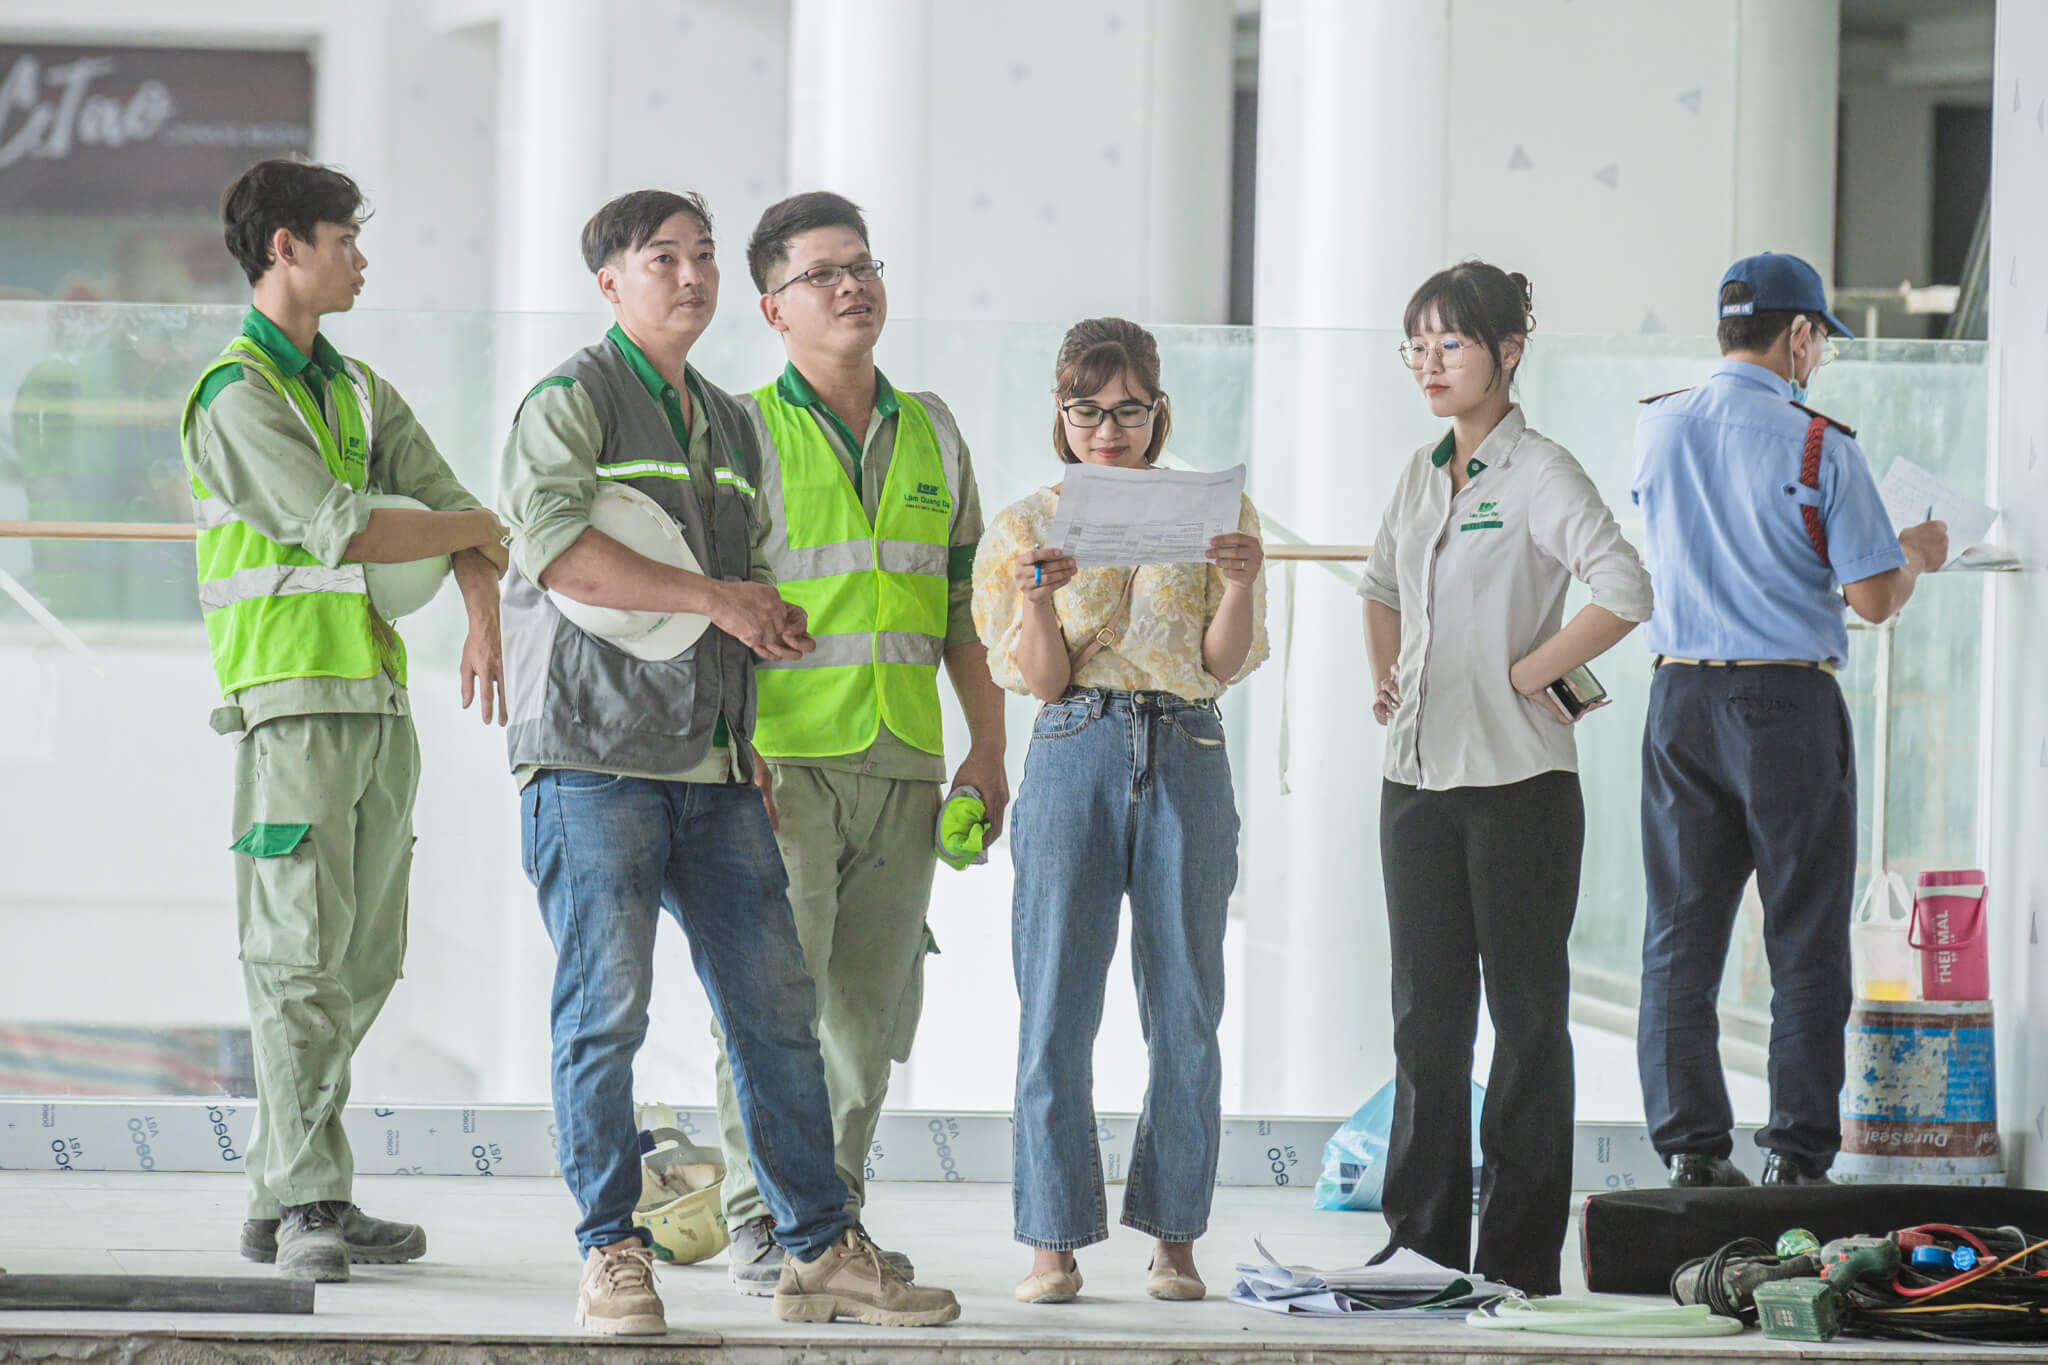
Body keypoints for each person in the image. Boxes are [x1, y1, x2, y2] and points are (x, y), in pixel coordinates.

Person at [497, 188, 960, 1335]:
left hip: (715, 766)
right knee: (605, 1012)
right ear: (610, 282)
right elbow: (558, 554)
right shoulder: (569, 400)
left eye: (701, 254)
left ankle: (818, 1251)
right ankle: (611, 1252)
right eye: (663, 258)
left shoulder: (725, 423)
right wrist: (720, 600)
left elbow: (736, 600)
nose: (689, 274)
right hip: (593, 755)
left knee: (776, 1014)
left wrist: (743, 717)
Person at [180, 158, 509, 1282]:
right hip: (288, 705)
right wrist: (470, 530)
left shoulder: (361, 390)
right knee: (297, 963)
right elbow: (349, 527)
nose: (361, 260)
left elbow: (458, 511)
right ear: (285, 248)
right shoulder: (234, 395)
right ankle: (310, 1195)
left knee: (366, 959)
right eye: (344, 240)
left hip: (377, 699)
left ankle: (282, 1191)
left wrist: (481, 605)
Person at [711, 190, 1008, 1294]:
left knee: (869, 1015)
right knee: (771, 1005)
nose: (852, 287)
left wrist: (987, 748)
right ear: (773, 308)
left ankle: (828, 1223)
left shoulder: (933, 428)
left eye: (864, 266)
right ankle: (761, 1217)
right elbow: (710, 608)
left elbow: (967, 604)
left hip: (904, 762)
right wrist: (730, 745)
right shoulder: (738, 431)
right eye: (823, 274)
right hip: (781, 762)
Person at [1360, 261, 1652, 1296]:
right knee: (1423, 1022)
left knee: (1525, 1024)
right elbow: (1378, 584)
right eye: (1417, 346)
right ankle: (1422, 1246)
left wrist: (1532, 671)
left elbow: (1625, 587)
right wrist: (1386, 673)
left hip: (1519, 787)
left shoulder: (1539, 472)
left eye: (1451, 343)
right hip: (1414, 784)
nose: (1429, 364)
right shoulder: (1419, 470)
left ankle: (1520, 1262)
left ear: (1508, 352)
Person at [1632, 252, 1948, 1189]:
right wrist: (1916, 552)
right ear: (1799, 334)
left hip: (1679, 698)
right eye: (1820, 343)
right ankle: (1798, 1158)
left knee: (1681, 934)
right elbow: (1873, 598)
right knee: (1803, 934)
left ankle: (1692, 1152)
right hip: (1785, 706)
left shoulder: (1656, 425)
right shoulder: (1820, 446)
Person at [974, 317, 1267, 1306]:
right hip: (1075, 744)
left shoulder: (1218, 512)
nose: (1108, 429)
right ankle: (1050, 1243)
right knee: (1055, 999)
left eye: (1128, 409)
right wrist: (1036, 602)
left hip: (1187, 742)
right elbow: (1044, 682)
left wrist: (1239, 582)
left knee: (1186, 1003)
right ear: (1060, 414)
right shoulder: (1024, 525)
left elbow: (1222, 662)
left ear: (1157, 410)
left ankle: (1174, 1239)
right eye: (1086, 409)